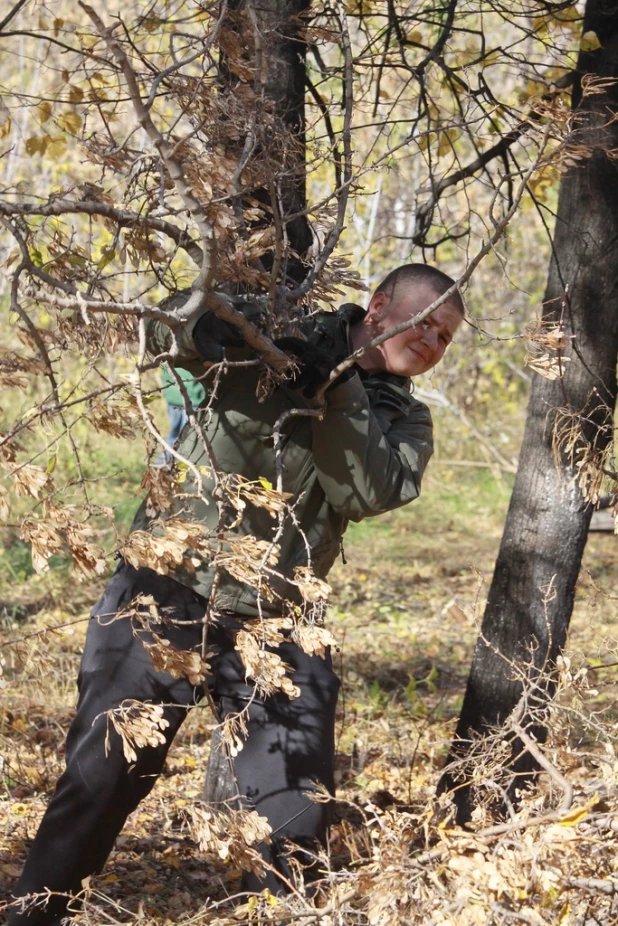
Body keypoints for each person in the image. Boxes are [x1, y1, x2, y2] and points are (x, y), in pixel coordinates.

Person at [7, 264, 464, 925]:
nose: (431, 342)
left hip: (277, 625)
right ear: (378, 306)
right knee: (101, 779)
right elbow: (173, 327)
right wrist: (222, 330)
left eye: (445, 338)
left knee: (298, 817)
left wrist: (339, 389)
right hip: (167, 589)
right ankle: (32, 915)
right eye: (424, 322)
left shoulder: (406, 419)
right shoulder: (281, 332)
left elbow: (365, 491)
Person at [158, 364, 206, 463]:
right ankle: (175, 468)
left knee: (173, 435)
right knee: (187, 438)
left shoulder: (170, 350)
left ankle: (161, 466)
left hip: (172, 395)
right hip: (191, 399)